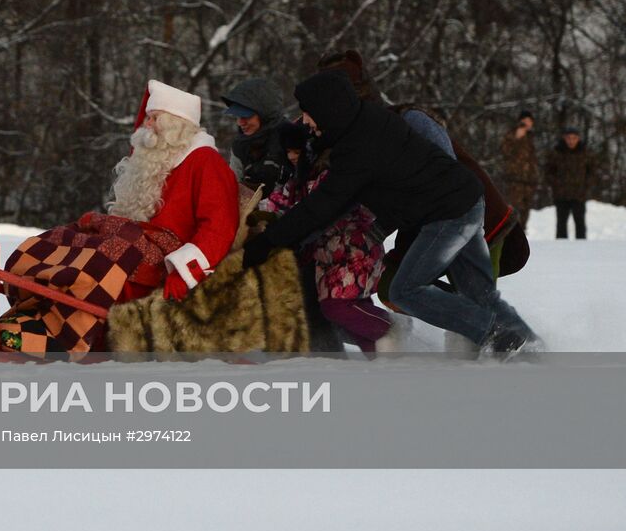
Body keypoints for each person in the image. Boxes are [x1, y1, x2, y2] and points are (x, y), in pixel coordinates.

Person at [242, 70, 539, 355]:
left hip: (450, 213)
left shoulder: (358, 147)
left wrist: (267, 243)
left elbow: (322, 205)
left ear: (327, 108)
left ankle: (500, 337)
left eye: (308, 112)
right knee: (480, 296)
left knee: (405, 290)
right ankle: (533, 348)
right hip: (467, 200)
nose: (305, 121)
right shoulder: (364, 124)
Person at [0, 80, 238, 354]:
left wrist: (185, 273)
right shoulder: (160, 156)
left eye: (153, 118)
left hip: (164, 254)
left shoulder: (206, 161)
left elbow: (220, 225)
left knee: (101, 260)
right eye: (147, 117)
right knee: (69, 237)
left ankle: (66, 336)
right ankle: (34, 303)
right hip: (136, 237)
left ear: (176, 125)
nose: (146, 125)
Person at [260, 122, 401, 354]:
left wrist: (292, 224)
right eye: (287, 151)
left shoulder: (330, 174)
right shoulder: (299, 179)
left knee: (337, 307)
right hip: (327, 256)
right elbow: (279, 203)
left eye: (297, 151)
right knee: (349, 312)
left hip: (353, 249)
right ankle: (381, 358)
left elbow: (318, 211)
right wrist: (256, 210)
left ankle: (389, 328)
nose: (292, 156)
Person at [220, 77, 290, 196]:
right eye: (237, 117)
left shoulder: (290, 137)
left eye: (246, 116)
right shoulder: (240, 146)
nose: (240, 123)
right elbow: (231, 188)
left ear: (265, 114)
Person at [545, 127, 595, 240]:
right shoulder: (556, 152)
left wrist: (586, 186)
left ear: (578, 138)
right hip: (561, 195)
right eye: (569, 138)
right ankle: (561, 250)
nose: (571, 141)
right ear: (564, 138)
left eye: (574, 138)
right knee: (561, 224)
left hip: (579, 194)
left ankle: (582, 249)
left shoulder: (585, 152)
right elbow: (548, 172)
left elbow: (592, 171)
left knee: (580, 223)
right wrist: (556, 185)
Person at [499, 111, 540, 229]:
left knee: (525, 211)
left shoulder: (531, 138)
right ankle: (512, 234)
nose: (527, 123)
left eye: (529, 121)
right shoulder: (511, 135)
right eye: (525, 120)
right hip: (514, 180)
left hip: (529, 180)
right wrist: (516, 137)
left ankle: (522, 233)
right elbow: (504, 152)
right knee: (515, 209)